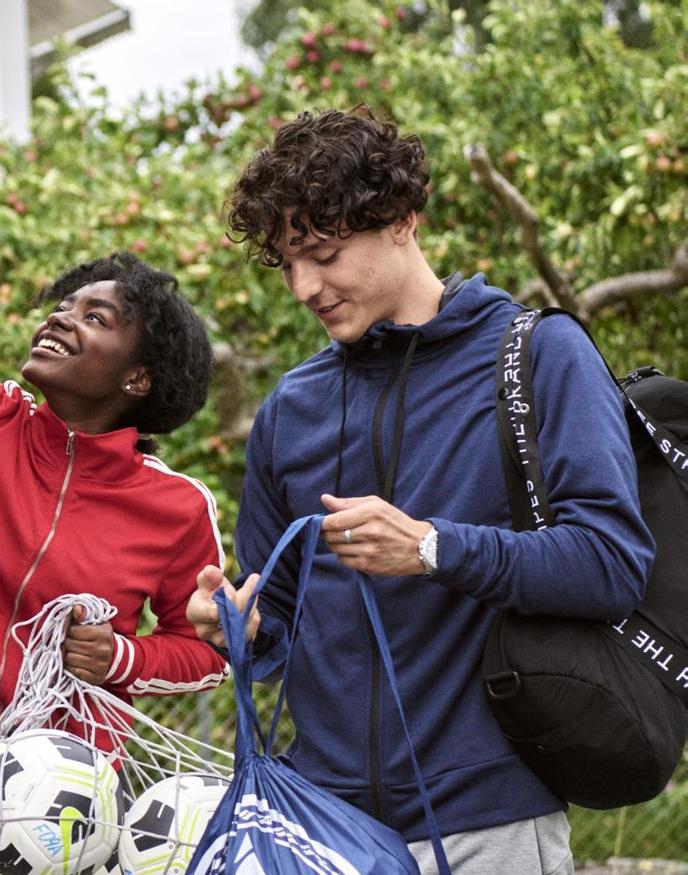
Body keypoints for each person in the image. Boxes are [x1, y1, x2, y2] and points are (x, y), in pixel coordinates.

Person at [187, 108, 656, 875]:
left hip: (492, 821)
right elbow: (279, 624)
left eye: (325, 253)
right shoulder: (290, 411)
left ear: (403, 219)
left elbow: (612, 562)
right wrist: (242, 622)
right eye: (287, 262)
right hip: (322, 827)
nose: (305, 286)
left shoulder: (539, 356)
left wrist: (433, 548)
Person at [0, 11, 230, 872]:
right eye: (65, 302)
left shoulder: (175, 507)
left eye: (96, 316)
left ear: (139, 378)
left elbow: (205, 652)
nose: (62, 315)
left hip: (70, 790)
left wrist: (123, 655)